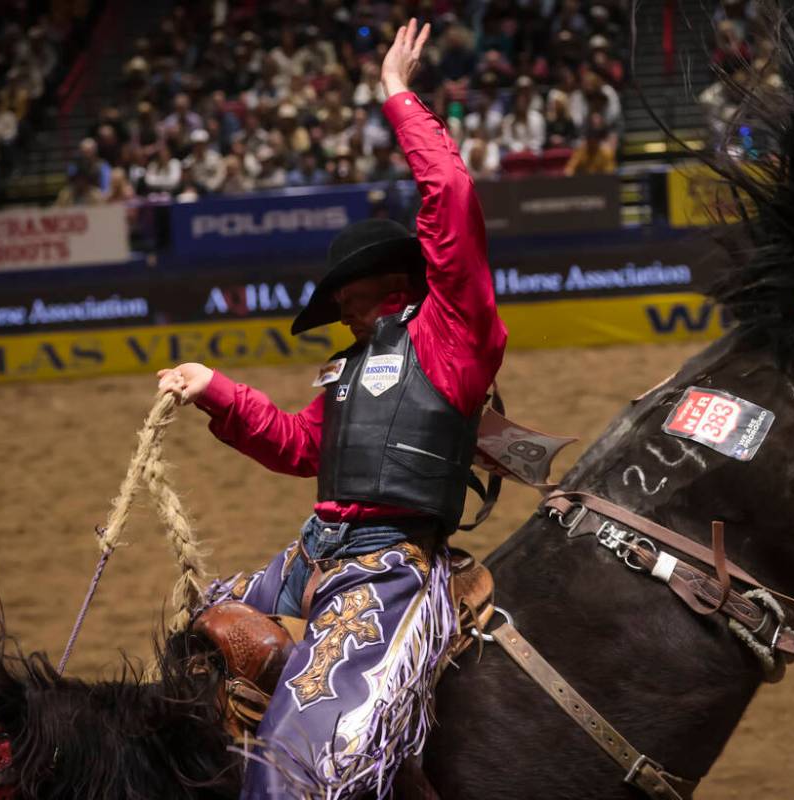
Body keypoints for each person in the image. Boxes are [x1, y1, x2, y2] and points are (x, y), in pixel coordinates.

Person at [157, 20, 506, 798]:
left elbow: (448, 194)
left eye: (346, 300)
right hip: (313, 556)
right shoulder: (349, 368)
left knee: (301, 764)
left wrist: (396, 95)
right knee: (196, 653)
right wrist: (215, 387)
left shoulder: (451, 333)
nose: (339, 314)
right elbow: (294, 445)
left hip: (390, 568)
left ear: (388, 286)